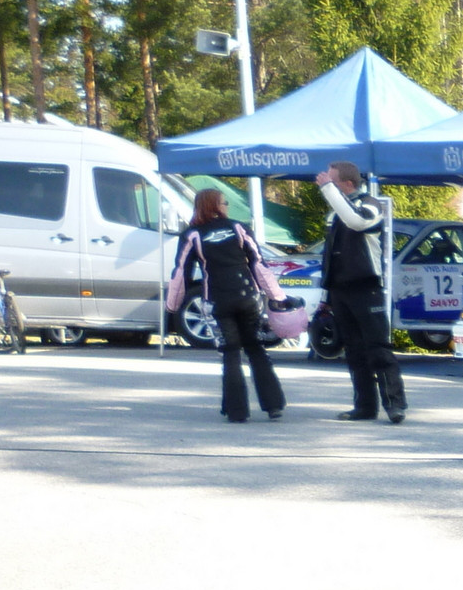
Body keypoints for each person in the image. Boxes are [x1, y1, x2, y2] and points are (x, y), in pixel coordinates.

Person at [165, 187, 286, 423]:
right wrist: (276, 296)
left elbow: (181, 272)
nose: (227, 206)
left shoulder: (192, 234)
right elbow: (258, 264)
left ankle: (236, 410)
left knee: (230, 353)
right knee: (256, 348)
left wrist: (172, 306)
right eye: (224, 202)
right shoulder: (238, 228)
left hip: (217, 301)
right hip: (248, 297)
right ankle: (273, 405)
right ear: (214, 205)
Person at [314, 161, 405, 423]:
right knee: (353, 351)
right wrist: (326, 297)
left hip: (367, 287)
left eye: (331, 181)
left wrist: (328, 191)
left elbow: (356, 221)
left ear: (348, 184)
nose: (325, 185)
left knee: (378, 348)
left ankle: (395, 405)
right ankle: (365, 406)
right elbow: (329, 256)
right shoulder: (335, 212)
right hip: (340, 290)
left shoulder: (370, 204)